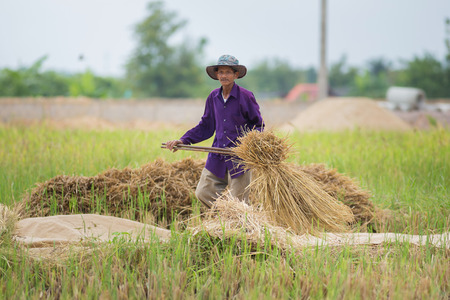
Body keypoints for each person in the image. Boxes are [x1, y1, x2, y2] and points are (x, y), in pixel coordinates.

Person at [165, 54, 264, 208]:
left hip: (239, 159)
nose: (224, 76)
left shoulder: (245, 97)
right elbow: (205, 126)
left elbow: (258, 125)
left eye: (228, 72)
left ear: (236, 75)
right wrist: (183, 140)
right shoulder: (213, 97)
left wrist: (249, 143)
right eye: (221, 72)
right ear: (217, 75)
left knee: (239, 204)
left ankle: (239, 224)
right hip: (217, 155)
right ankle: (226, 216)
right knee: (202, 193)